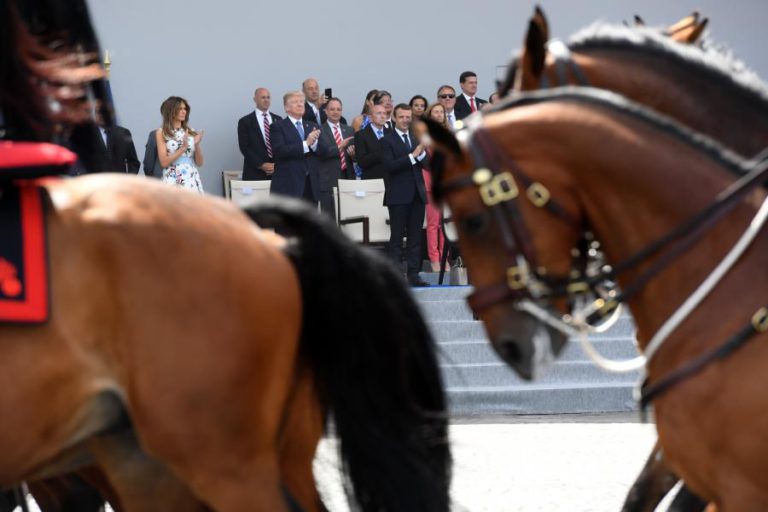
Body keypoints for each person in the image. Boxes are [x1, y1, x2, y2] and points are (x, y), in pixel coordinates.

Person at [380, 104, 429, 287]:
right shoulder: (387, 140)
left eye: (408, 117)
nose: (405, 120)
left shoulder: (416, 138)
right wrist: (412, 156)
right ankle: (396, 276)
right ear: (394, 118)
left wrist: (421, 155)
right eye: (402, 117)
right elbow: (389, 166)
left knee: (416, 237)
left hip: (417, 195)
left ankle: (414, 274)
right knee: (397, 238)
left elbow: (428, 165)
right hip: (398, 195)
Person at [269, 91, 331, 204]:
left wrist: (314, 144)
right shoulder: (277, 126)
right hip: (288, 186)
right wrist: (306, 143)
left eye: (302, 101)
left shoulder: (313, 126)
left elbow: (326, 151)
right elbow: (279, 151)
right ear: (286, 108)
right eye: (295, 102)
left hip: (311, 186)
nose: (300, 104)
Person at [155, 96, 204, 194]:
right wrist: (182, 148)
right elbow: (164, 162)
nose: (184, 111)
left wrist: (197, 145)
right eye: (180, 109)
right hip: (173, 177)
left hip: (191, 177)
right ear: (171, 111)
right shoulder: (161, 132)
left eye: (185, 109)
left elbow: (199, 163)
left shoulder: (191, 131)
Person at [422, 103, 450, 272]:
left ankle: (445, 258)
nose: (439, 115)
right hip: (431, 183)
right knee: (433, 224)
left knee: (445, 223)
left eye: (441, 112)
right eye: (436, 112)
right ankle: (434, 259)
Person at [317, 97, 355, 218]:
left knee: (348, 215)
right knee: (329, 217)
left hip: (347, 176)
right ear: (326, 111)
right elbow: (321, 153)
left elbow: (354, 157)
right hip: (328, 179)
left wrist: (354, 156)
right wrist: (339, 147)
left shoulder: (349, 129)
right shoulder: (319, 130)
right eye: (332, 109)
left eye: (338, 109)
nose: (335, 112)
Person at [238, 87, 282, 180]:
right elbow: (244, 147)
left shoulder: (278, 120)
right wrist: (261, 165)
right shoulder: (245, 121)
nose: (266, 100)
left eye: (268, 97)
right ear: (255, 99)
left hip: (277, 172)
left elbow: (283, 145)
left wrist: (277, 165)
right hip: (255, 173)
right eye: (263, 97)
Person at [353, 103, 389, 180]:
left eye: (384, 113)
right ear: (370, 118)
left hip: (390, 180)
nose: (382, 116)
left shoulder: (391, 133)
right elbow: (362, 162)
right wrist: (382, 151)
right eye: (379, 113)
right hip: (371, 180)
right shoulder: (361, 135)